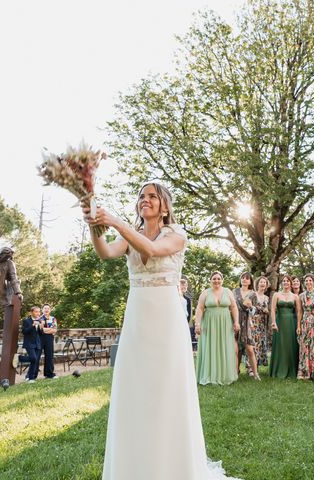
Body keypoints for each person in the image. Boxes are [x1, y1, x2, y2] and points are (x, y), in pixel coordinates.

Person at [83, 181, 239, 479]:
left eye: (152, 196)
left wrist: (113, 220)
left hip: (166, 320)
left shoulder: (176, 235)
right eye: (141, 196)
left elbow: (153, 250)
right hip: (137, 317)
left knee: (166, 389)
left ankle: (172, 467)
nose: (145, 200)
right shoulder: (131, 235)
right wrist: (95, 225)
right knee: (135, 388)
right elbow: (104, 251)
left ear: (164, 205)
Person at [196, 271, 241, 384]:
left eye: (218, 278)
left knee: (224, 347)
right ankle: (209, 376)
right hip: (209, 323)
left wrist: (236, 322)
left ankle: (224, 375)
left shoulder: (228, 291)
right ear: (210, 280)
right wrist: (197, 324)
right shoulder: (205, 293)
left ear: (222, 280)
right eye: (214, 279)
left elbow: (234, 307)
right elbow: (200, 308)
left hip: (225, 323)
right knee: (210, 346)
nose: (216, 281)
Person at [269, 274, 301, 378]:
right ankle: (278, 370)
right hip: (280, 322)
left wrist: (299, 326)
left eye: (287, 281)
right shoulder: (276, 295)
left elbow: (299, 312)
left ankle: (292, 370)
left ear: (291, 283)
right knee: (280, 345)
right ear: (281, 283)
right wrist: (273, 322)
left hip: (292, 322)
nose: (285, 282)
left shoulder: (295, 296)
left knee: (291, 345)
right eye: (284, 281)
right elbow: (273, 310)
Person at [233, 272, 258, 377]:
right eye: (243, 278)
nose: (244, 280)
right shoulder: (234, 291)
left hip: (247, 322)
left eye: (247, 278)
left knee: (250, 349)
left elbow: (255, 311)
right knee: (235, 350)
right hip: (235, 321)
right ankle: (235, 372)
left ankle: (256, 374)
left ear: (250, 281)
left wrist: (251, 307)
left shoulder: (253, 294)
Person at [250, 276, 270, 368]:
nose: (262, 284)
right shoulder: (253, 295)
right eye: (261, 282)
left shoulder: (267, 298)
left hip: (262, 323)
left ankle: (256, 365)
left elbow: (268, 310)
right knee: (253, 343)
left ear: (266, 285)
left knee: (261, 343)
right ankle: (250, 367)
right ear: (257, 284)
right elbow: (247, 308)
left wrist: (266, 310)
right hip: (253, 322)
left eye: (264, 283)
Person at [19, 306, 42, 383]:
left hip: (37, 343)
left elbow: (40, 333)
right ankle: (19, 358)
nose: (38, 313)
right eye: (36, 312)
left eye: (39, 312)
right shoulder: (26, 321)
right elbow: (24, 331)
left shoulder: (39, 321)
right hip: (29, 343)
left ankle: (30, 378)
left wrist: (41, 327)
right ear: (31, 312)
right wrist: (32, 325)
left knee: (34, 361)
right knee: (33, 359)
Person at [39, 303, 58, 379]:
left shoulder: (53, 319)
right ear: (42, 310)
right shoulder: (39, 318)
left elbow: (55, 330)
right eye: (45, 308)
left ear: (50, 310)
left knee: (49, 356)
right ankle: (31, 376)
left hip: (49, 339)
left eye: (48, 308)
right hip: (40, 338)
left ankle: (49, 374)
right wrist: (49, 329)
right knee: (36, 356)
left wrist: (45, 330)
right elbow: (40, 330)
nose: (46, 310)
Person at [180, 277, 195, 348]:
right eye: (182, 285)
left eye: (185, 285)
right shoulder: (175, 297)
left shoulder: (188, 299)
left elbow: (188, 313)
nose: (184, 287)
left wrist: (186, 322)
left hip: (184, 321)